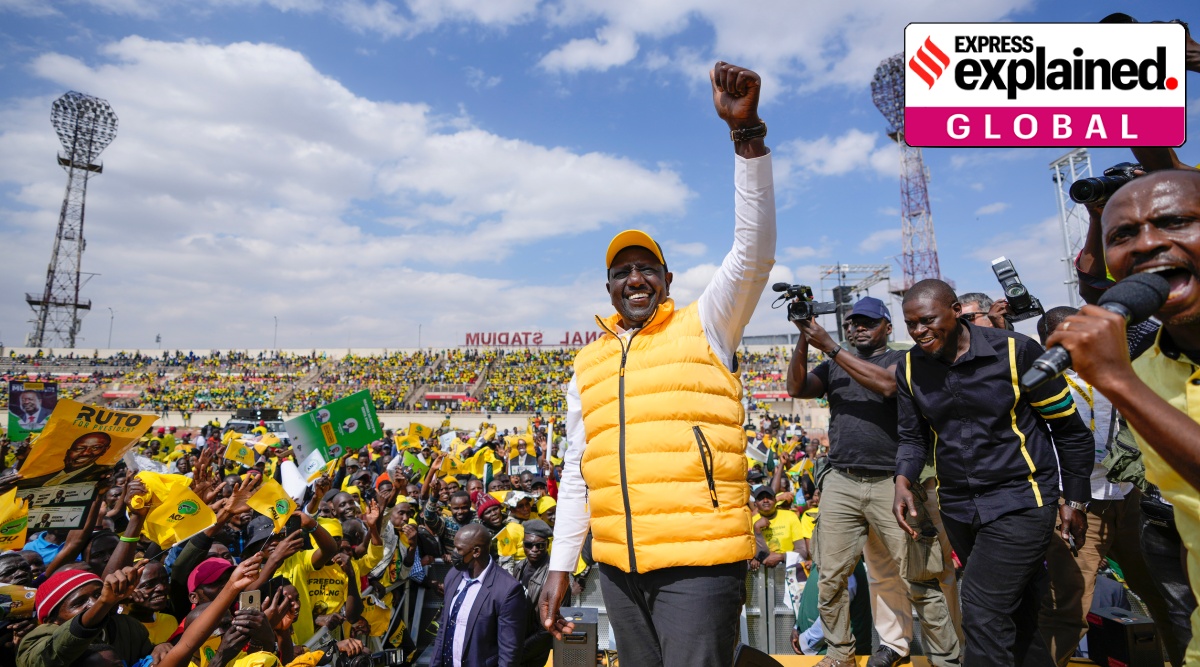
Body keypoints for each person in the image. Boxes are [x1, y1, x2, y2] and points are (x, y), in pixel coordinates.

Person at [541, 60, 775, 667]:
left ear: (667, 280)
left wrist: (746, 138)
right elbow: (577, 470)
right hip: (618, 566)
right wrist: (562, 562)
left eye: (647, 268)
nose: (635, 278)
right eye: (622, 271)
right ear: (610, 287)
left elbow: (753, 251)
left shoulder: (708, 322)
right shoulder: (588, 363)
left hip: (699, 566)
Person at [893, 279, 1094, 666]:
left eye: (927, 320)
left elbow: (1070, 431)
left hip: (1022, 500)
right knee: (1019, 613)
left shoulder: (1018, 353)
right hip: (959, 508)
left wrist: (1075, 498)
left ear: (955, 311)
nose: (919, 331)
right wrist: (903, 479)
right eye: (911, 324)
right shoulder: (910, 368)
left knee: (982, 609)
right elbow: (912, 438)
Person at [1044, 168, 1200, 666]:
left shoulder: (1126, 370)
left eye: (1175, 221)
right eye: (1124, 235)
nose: (1149, 244)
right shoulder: (1149, 356)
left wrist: (1117, 383)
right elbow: (1095, 282)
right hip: (1117, 509)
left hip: (1128, 504)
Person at [786, 296, 960, 667]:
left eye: (867, 322)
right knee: (831, 577)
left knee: (919, 579)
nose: (857, 328)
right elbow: (797, 388)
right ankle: (839, 654)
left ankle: (947, 659)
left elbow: (886, 387)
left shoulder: (904, 360)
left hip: (892, 482)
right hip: (843, 481)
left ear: (887, 327)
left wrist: (830, 346)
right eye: (852, 323)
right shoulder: (833, 365)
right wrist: (804, 336)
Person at [1035, 307, 1174, 665]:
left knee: (1163, 595)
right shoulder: (1041, 383)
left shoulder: (1115, 371)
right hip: (1077, 503)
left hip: (1129, 497)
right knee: (1069, 608)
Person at [430, 524, 527, 667]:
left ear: (476, 552)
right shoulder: (453, 576)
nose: (454, 553)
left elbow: (509, 652)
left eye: (459, 549)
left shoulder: (508, 590)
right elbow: (444, 627)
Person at [513, 520, 557, 667]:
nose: (534, 549)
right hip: (519, 640)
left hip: (537, 649)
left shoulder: (554, 578)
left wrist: (521, 650)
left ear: (547, 546)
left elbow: (548, 628)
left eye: (540, 545)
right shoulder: (519, 567)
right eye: (528, 545)